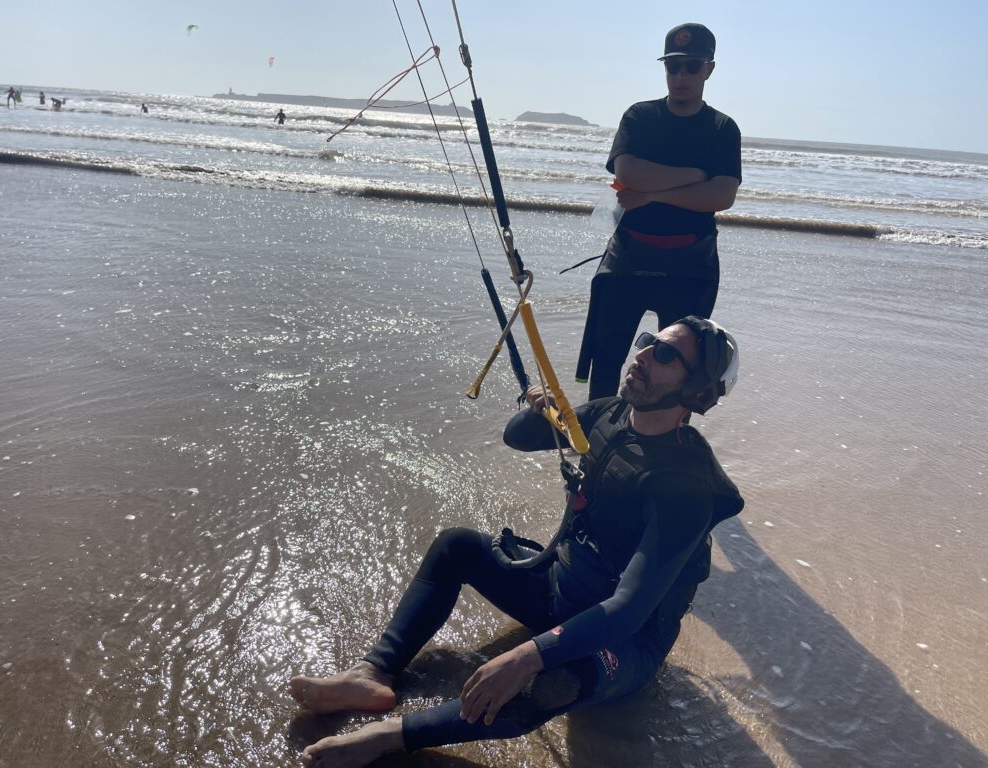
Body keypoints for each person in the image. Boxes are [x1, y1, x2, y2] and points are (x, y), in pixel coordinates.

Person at [288, 316, 745, 767]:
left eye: (665, 354)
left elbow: (629, 610)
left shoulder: (686, 487)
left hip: (622, 641)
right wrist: (538, 408)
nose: (642, 355)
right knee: (458, 546)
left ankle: (393, 736)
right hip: (559, 590)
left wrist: (528, 656)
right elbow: (518, 437)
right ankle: (373, 673)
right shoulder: (608, 414)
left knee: (551, 682)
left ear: (698, 392)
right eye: (648, 341)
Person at [576, 23, 742, 400]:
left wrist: (651, 196)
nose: (681, 76)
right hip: (629, 257)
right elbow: (628, 172)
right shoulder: (640, 117)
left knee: (679, 367)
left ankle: (661, 439)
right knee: (606, 361)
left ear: (709, 69)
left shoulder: (722, 128)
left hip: (690, 264)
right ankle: (599, 440)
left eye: (691, 66)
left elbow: (721, 195)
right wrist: (694, 176)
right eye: (673, 66)